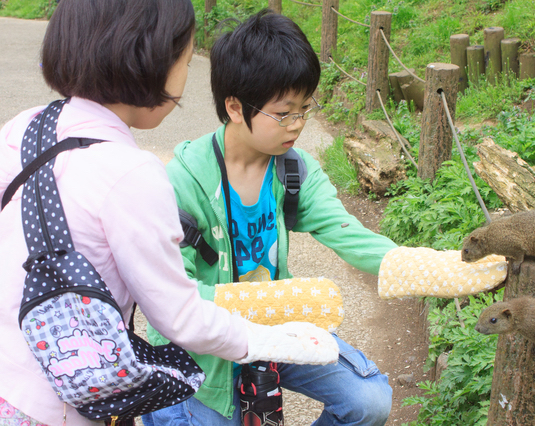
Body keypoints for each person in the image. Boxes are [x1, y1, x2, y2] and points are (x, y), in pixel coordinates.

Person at [0, 2, 336, 425]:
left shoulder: (25, 128)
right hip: (61, 403)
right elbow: (179, 315)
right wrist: (269, 339)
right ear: (149, 60)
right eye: (185, 55)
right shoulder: (133, 174)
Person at [143, 10, 399, 426]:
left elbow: (347, 231)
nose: (297, 125)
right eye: (284, 113)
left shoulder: (292, 170)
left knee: (369, 401)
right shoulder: (181, 183)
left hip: (275, 328)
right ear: (235, 107)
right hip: (203, 350)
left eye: (304, 109)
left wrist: (416, 264)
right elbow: (169, 303)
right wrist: (243, 320)